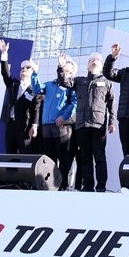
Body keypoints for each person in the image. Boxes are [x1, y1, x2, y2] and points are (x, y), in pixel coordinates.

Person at [72, 52, 115, 191]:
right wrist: (61, 67)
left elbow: (111, 103)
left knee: (99, 157)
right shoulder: (80, 81)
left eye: (97, 59)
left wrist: (112, 121)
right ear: (87, 65)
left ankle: (101, 186)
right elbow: (65, 82)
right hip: (82, 124)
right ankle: (88, 186)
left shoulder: (106, 82)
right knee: (85, 158)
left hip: (98, 124)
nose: (94, 61)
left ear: (101, 65)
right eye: (91, 59)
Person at [0, 39, 42, 154]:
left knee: (24, 154)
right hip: (11, 124)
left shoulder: (35, 89)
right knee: (10, 154)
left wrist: (34, 125)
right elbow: (5, 73)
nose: (24, 70)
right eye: (22, 68)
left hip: (25, 126)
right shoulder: (13, 84)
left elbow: (36, 108)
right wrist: (4, 54)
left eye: (27, 68)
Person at [40, 54, 78, 189]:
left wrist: (63, 117)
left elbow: (74, 104)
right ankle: (50, 185)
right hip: (47, 126)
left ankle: (63, 186)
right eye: (64, 70)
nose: (65, 73)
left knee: (64, 158)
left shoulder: (72, 86)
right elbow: (37, 88)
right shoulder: (50, 84)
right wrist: (34, 73)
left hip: (62, 127)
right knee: (49, 158)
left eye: (68, 72)